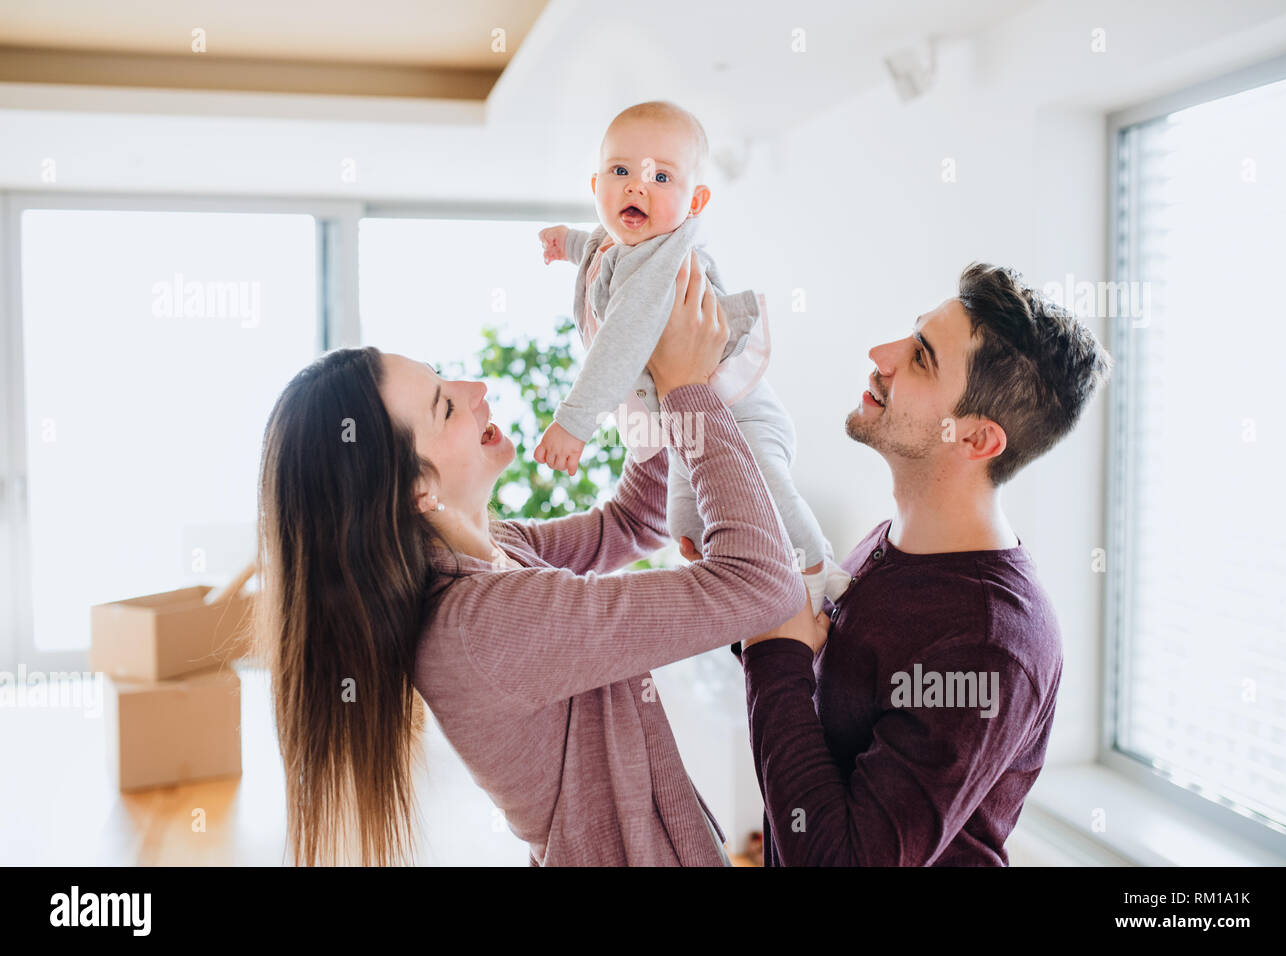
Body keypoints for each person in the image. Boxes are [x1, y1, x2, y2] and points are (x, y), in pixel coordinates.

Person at [254, 251, 810, 866]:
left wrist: (642, 370)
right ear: (418, 492)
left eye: (447, 377)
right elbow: (762, 583)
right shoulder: (486, 625)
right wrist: (688, 391)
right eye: (444, 405)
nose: (476, 390)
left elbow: (629, 525)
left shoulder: (490, 554)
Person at [686, 263, 1113, 865]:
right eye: (910, 337)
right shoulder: (897, 544)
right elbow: (821, 702)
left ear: (976, 440)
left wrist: (771, 651)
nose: (880, 354)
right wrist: (751, 593)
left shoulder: (989, 643)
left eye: (921, 359)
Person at [536, 99, 850, 609]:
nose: (637, 185)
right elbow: (601, 246)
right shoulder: (627, 243)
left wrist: (575, 422)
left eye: (661, 177)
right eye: (621, 171)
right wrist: (568, 243)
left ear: (695, 201)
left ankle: (821, 575)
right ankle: (739, 586)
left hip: (741, 418)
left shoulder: (663, 262)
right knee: (686, 526)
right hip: (690, 425)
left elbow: (620, 341)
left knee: (771, 493)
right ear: (596, 187)